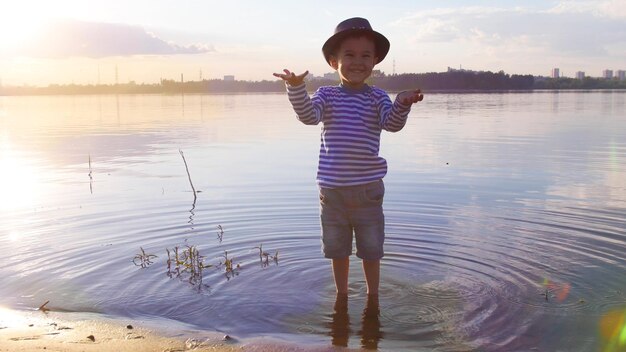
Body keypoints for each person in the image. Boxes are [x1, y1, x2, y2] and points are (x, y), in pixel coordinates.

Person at [274, 17, 423, 296]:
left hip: (368, 190)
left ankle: (373, 296)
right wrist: (295, 88)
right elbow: (308, 116)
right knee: (336, 248)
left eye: (365, 55)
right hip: (333, 192)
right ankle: (341, 294)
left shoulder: (378, 97)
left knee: (371, 249)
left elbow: (392, 124)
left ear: (375, 61)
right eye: (349, 55)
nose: (358, 62)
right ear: (334, 62)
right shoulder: (326, 95)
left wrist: (402, 103)